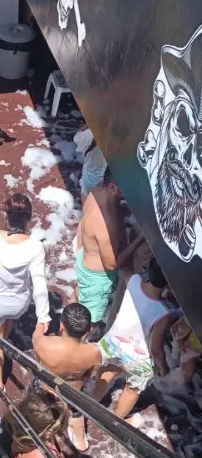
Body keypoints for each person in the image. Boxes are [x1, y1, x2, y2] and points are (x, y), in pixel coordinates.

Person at [0, 194, 51, 386]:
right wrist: (43, 316)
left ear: (6, 216)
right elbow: (39, 283)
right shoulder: (35, 247)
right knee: (5, 323)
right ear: (28, 218)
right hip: (18, 304)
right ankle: (4, 338)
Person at [92, 257, 175, 420]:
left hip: (114, 341)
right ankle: (115, 421)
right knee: (132, 389)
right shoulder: (164, 312)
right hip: (137, 357)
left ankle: (91, 400)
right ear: (169, 283)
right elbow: (155, 348)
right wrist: (163, 367)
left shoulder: (134, 280)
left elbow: (126, 269)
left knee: (110, 369)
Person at [75, 168, 142, 330]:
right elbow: (112, 264)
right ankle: (83, 337)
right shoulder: (104, 226)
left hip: (85, 259)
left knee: (82, 294)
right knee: (90, 320)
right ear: (112, 187)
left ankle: (71, 315)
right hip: (98, 277)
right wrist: (140, 239)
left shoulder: (97, 191)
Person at [33, 303, 97, 451]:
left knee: (37, 392)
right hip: (72, 394)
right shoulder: (94, 352)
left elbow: (36, 336)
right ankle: (79, 437)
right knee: (77, 406)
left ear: (61, 326)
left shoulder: (44, 344)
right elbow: (89, 375)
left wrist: (41, 322)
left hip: (47, 390)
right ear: (89, 330)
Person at [73, 125, 107, 201]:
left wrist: (88, 125)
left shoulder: (89, 134)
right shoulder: (116, 136)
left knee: (87, 200)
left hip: (90, 177)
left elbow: (76, 138)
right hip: (105, 178)